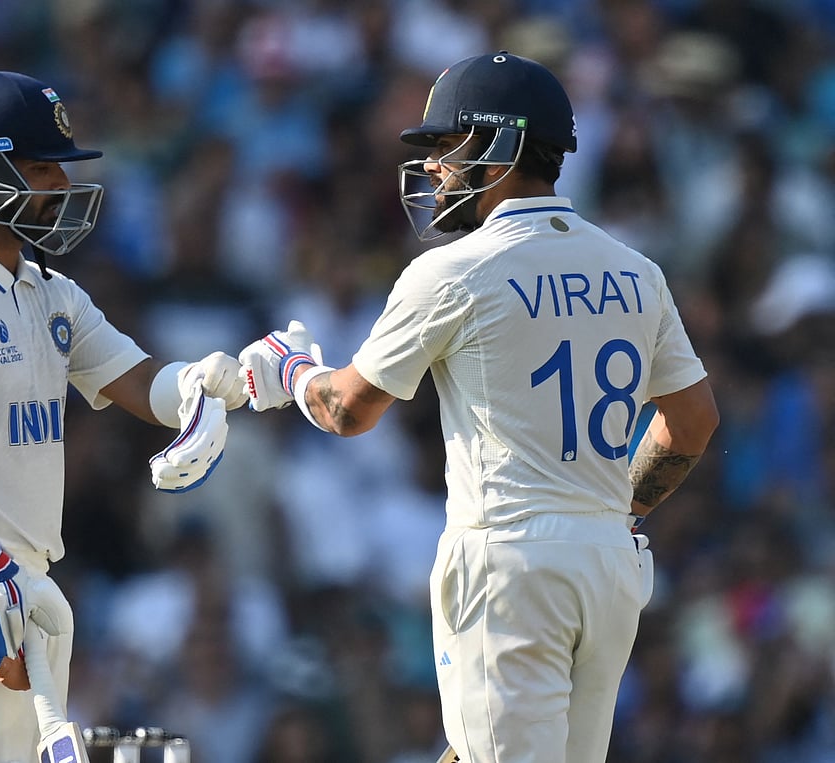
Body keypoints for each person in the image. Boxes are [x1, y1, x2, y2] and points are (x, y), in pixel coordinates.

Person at [239, 52, 719, 762]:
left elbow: (348, 410)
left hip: (509, 557)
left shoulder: (453, 271)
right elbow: (693, 422)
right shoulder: (635, 270)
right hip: (609, 561)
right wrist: (619, 506)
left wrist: (292, 368)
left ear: (497, 145)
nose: (433, 166)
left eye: (444, 145)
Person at [0, 70, 246, 763]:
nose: (60, 188)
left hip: (21, 583)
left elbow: (141, 381)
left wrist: (213, 380)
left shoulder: (49, 293)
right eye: (41, 169)